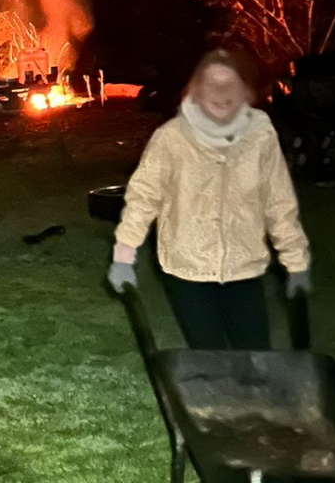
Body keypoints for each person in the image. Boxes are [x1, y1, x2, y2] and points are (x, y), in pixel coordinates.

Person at [106, 48, 312, 349]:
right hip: (187, 271)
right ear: (196, 90)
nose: (221, 92)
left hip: (244, 268)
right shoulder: (171, 138)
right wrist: (123, 257)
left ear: (245, 91)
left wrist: (296, 263)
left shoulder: (261, 136)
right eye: (212, 83)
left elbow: (278, 202)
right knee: (211, 357)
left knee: (256, 358)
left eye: (230, 83)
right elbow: (143, 199)